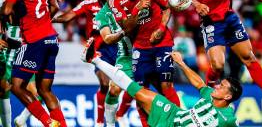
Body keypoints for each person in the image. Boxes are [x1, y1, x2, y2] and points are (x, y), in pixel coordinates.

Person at [82, 39, 242, 127]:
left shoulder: (229, 120)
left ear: (228, 96)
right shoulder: (209, 95)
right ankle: (94, 59)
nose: (217, 86)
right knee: (137, 91)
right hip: (173, 115)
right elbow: (199, 83)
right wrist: (181, 63)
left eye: (221, 86)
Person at [109, 0, 180, 125]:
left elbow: (167, 8)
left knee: (166, 84)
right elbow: (126, 29)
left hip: (162, 42)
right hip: (140, 47)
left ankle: (178, 121)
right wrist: (136, 10)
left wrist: (161, 28)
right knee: (141, 91)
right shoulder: (116, 0)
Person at [0, 0, 64, 126]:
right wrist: (43, 21)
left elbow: (5, 12)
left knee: (16, 86)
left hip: (33, 42)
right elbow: (55, 6)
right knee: (45, 90)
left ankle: (48, 122)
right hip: (52, 39)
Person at [51, 0, 115, 126]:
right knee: (105, 84)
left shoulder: (119, 2)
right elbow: (68, 16)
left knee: (117, 88)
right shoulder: (88, 3)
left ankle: (119, 117)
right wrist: (49, 19)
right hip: (98, 48)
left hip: (117, 47)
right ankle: (99, 122)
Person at [94, 0, 133, 127]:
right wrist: (124, 31)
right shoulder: (102, 15)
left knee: (146, 90)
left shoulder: (132, 1)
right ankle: (110, 123)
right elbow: (107, 38)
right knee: (114, 88)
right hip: (125, 56)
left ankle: (122, 114)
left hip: (144, 51)